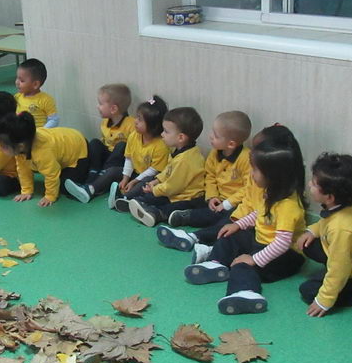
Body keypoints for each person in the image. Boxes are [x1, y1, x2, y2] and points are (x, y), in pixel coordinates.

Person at [185, 137, 306, 315]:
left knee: (242, 266)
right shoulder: (272, 192)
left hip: (286, 256)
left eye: (255, 170)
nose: (251, 174)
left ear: (273, 176)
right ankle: (215, 263)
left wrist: (253, 259)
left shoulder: (288, 205)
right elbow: (260, 213)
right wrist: (239, 225)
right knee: (229, 237)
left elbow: (282, 243)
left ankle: (246, 293)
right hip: (263, 241)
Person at [297, 153, 352, 317]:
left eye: (314, 184)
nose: (309, 184)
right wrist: (312, 231)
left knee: (307, 290)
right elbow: (326, 221)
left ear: (329, 197)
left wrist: (324, 300)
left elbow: (339, 268)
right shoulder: (347, 203)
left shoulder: (341, 230)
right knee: (309, 244)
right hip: (348, 254)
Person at [155, 111, 252, 247]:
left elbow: (249, 188)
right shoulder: (214, 153)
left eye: (216, 136)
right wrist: (212, 196)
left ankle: (193, 236)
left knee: (224, 219)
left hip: (235, 204)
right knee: (196, 202)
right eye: (212, 131)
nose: (211, 136)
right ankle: (169, 214)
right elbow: (210, 176)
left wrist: (228, 203)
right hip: (217, 199)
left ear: (230, 144)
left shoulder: (246, 159)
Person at [66, 95, 168, 205]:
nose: (135, 121)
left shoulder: (161, 145)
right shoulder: (134, 136)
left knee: (144, 183)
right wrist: (125, 178)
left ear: (153, 126)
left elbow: (153, 170)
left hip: (147, 177)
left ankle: (123, 199)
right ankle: (89, 190)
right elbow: (129, 159)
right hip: (134, 173)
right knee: (113, 171)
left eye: (140, 119)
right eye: (136, 117)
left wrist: (134, 181)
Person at [126, 107, 206, 226]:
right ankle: (140, 205)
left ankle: (154, 214)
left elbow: (173, 186)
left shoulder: (185, 160)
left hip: (188, 197)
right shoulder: (178, 151)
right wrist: (156, 180)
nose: (162, 134)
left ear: (181, 137)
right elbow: (167, 172)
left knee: (169, 207)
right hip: (174, 193)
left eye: (166, 132)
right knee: (148, 197)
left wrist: (154, 189)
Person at [0, 111, 88, 206]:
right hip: (65, 142)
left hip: (79, 150)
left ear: (20, 146)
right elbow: (23, 169)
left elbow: (52, 174)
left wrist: (50, 196)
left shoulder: (42, 152)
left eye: (3, 146)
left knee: (63, 186)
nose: (0, 148)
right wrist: (26, 191)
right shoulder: (22, 143)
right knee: (53, 175)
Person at [86, 83, 135, 176]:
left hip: (120, 161)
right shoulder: (105, 122)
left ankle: (104, 176)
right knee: (95, 143)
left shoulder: (131, 124)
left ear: (113, 109)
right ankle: (93, 172)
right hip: (108, 155)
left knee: (121, 146)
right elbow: (104, 142)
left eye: (100, 104)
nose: (97, 106)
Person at [14, 58, 58, 127]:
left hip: (39, 135)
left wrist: (43, 131)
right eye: (17, 78)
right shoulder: (17, 97)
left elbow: (54, 120)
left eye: (22, 80)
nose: (17, 82)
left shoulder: (46, 100)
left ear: (35, 84)